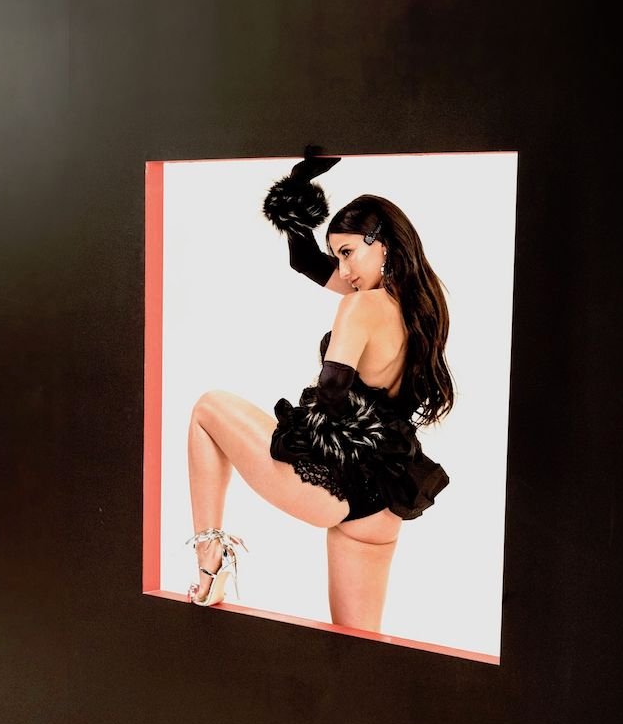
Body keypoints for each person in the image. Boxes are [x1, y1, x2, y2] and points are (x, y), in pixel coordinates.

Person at [186, 149, 453, 633]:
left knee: (208, 409)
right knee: (359, 648)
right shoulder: (423, 307)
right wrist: (297, 189)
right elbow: (304, 260)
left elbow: (331, 395)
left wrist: (290, 443)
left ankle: (211, 557)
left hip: (338, 486)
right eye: (338, 256)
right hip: (383, 507)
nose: (343, 271)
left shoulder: (361, 305)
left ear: (383, 244)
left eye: (347, 253)